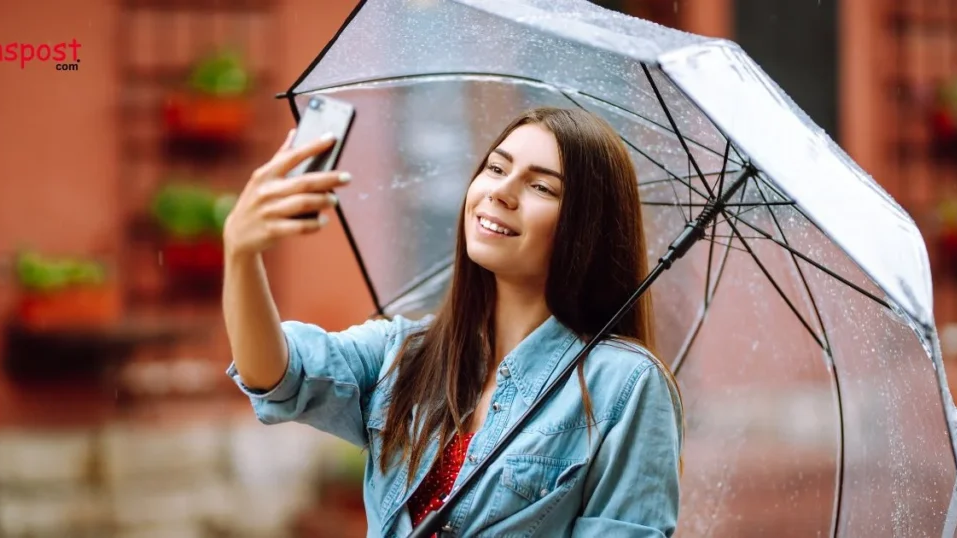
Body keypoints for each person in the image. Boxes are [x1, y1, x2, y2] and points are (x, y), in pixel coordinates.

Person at [222, 107, 684, 537]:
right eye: (497, 168)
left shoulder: (624, 385)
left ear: (587, 227)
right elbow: (277, 375)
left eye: (541, 187)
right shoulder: (408, 353)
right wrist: (241, 255)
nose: (501, 192)